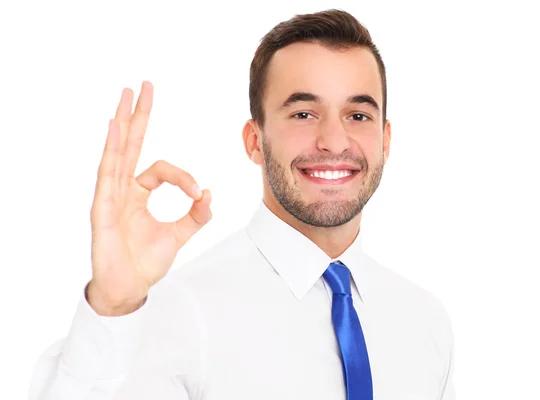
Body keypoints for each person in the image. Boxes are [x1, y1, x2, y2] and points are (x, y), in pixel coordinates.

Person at [29, 9, 455, 400]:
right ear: (255, 141)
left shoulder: (424, 321)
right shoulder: (180, 312)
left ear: (385, 140)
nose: (335, 141)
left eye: (358, 115)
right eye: (304, 113)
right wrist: (113, 308)